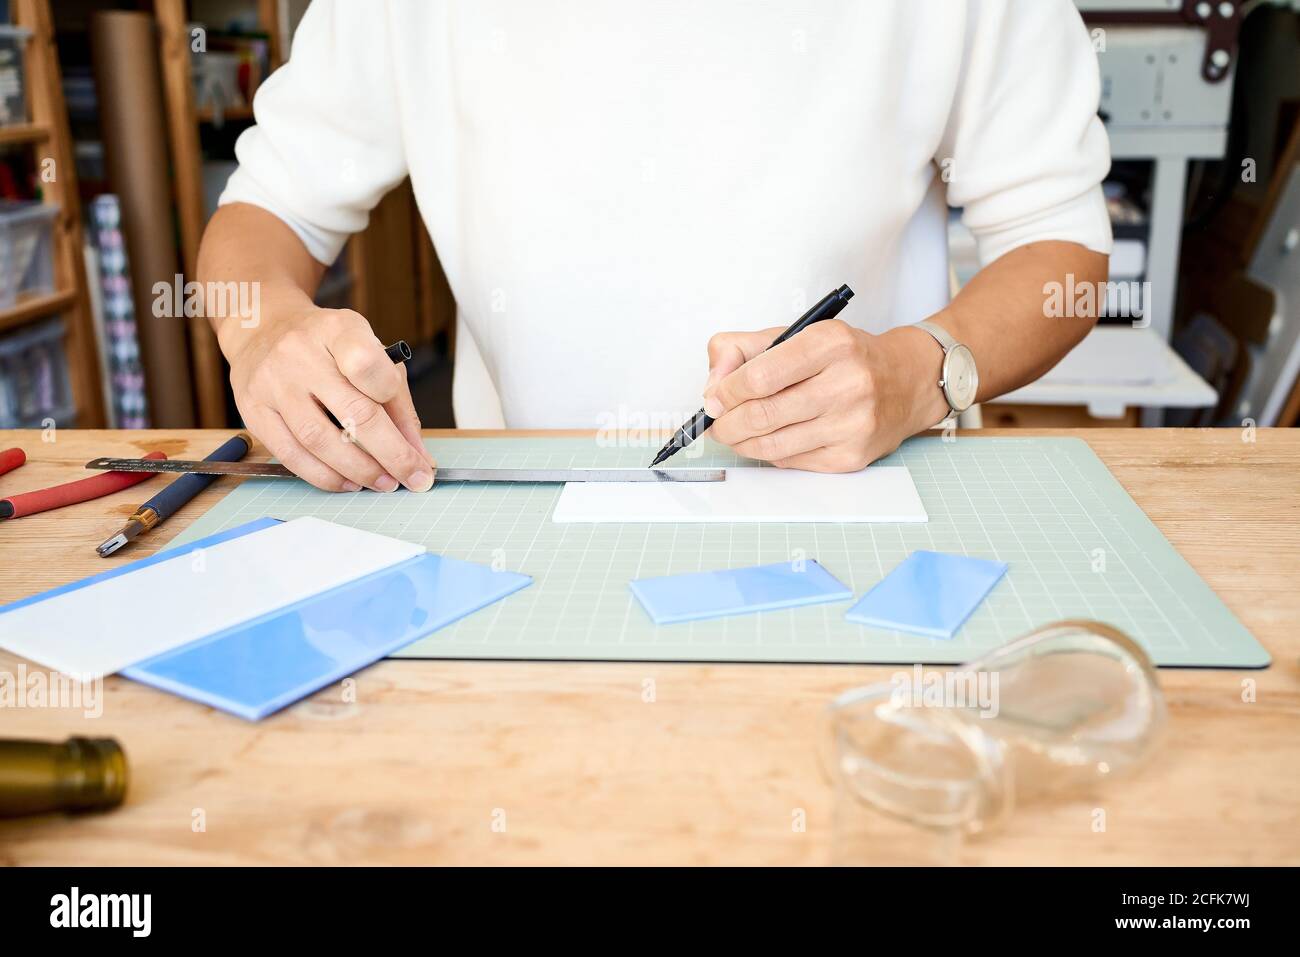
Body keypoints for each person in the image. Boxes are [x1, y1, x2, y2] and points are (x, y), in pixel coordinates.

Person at [198, 0, 1110, 493]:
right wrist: (266, 331)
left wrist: (920, 374)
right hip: (518, 510)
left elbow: (1058, 243)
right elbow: (268, 209)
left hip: (872, 502)